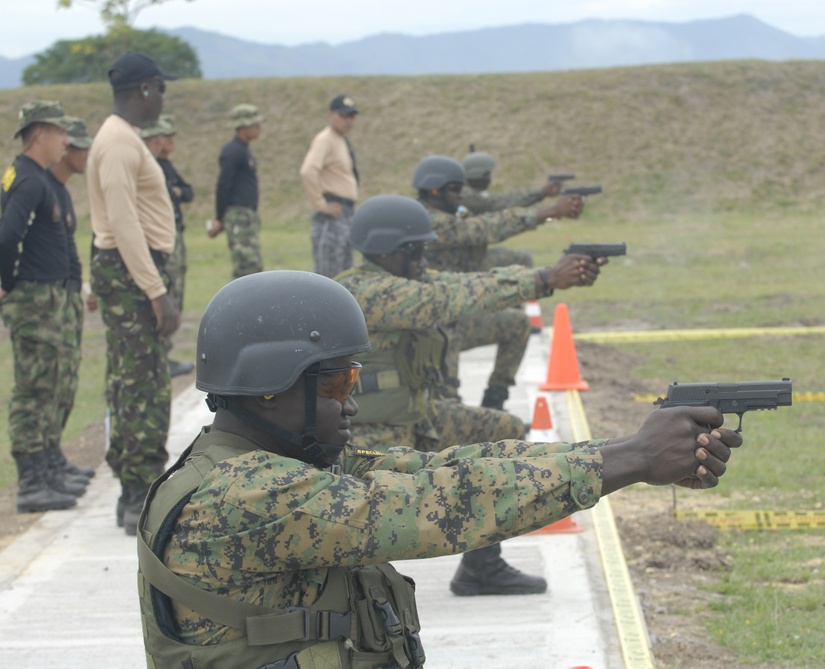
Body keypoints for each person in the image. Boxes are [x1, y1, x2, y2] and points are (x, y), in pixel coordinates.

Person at [136, 269, 741, 668]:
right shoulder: (243, 496)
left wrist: (628, 449)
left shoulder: (270, 464)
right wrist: (633, 459)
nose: (352, 401)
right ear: (268, 388)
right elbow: (438, 507)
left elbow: (447, 470)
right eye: (340, 381)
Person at [336, 194, 604, 596]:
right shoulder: (366, 292)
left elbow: (463, 284)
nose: (427, 257)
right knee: (374, 517)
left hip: (417, 416)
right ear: (392, 251)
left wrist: (545, 277)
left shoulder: (407, 280)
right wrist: (544, 279)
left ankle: (482, 566)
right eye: (419, 249)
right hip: (368, 434)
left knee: (503, 432)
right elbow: (444, 300)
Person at [87, 51, 180, 535]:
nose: (163, 96)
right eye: (160, 87)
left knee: (130, 378)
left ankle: (133, 489)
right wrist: (156, 290)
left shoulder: (117, 138)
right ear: (144, 89)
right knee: (143, 383)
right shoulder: (120, 143)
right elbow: (123, 224)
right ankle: (142, 488)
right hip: (132, 271)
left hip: (125, 269)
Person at [414, 154, 583, 407]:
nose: (462, 195)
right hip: (432, 328)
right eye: (456, 190)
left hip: (455, 316)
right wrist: (549, 211)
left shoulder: (454, 210)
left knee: (517, 324)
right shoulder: (426, 220)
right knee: (445, 408)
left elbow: (488, 214)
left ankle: (494, 402)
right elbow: (484, 227)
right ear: (436, 191)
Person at [0, 100, 82, 513]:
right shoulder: (29, 181)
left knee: (52, 384)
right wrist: (8, 284)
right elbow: (6, 236)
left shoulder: (41, 179)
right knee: (35, 389)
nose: (66, 140)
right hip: (35, 299)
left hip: (51, 295)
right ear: (39, 134)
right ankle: (32, 481)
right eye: (59, 131)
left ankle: (50, 467)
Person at [45, 116, 98, 492]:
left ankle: (53, 463)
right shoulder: (36, 185)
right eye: (78, 147)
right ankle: (40, 474)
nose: (84, 154)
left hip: (63, 296)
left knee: (62, 383)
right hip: (42, 300)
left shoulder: (59, 191)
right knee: (42, 386)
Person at [461, 149, 564, 269]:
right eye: (487, 174)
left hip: (472, 256)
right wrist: (541, 194)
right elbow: (501, 203)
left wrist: (541, 194)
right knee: (522, 259)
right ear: (477, 175)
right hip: (467, 261)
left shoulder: (470, 194)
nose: (490, 179)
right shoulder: (468, 196)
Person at [300, 94, 360, 278]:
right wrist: (320, 204)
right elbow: (308, 171)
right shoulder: (325, 139)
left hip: (345, 214)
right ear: (331, 115)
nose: (348, 121)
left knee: (345, 273)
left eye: (351, 116)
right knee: (328, 275)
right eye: (343, 115)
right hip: (331, 215)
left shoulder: (340, 140)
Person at [154, 114, 195, 377]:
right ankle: (161, 356)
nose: (171, 140)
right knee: (167, 289)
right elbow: (169, 194)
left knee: (177, 290)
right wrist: (176, 192)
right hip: (165, 237)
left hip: (176, 233)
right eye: (167, 135)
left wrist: (178, 192)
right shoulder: (154, 166)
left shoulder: (167, 165)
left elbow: (188, 192)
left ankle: (165, 354)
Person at [208, 103, 264, 279]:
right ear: (243, 126)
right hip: (238, 214)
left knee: (253, 265)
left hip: (246, 214)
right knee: (246, 265)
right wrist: (219, 216)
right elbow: (224, 185)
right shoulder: (232, 151)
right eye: (255, 125)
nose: (259, 128)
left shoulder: (243, 150)